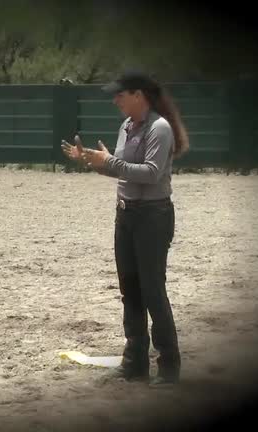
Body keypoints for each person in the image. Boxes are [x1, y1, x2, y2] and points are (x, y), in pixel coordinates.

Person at [62, 70, 189, 387]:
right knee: (130, 290)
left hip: (152, 216)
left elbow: (151, 173)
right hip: (126, 214)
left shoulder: (159, 128)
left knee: (153, 291)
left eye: (120, 95)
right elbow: (123, 172)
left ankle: (169, 366)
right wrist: (93, 162)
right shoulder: (127, 126)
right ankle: (135, 363)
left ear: (138, 95)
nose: (115, 100)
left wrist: (109, 161)